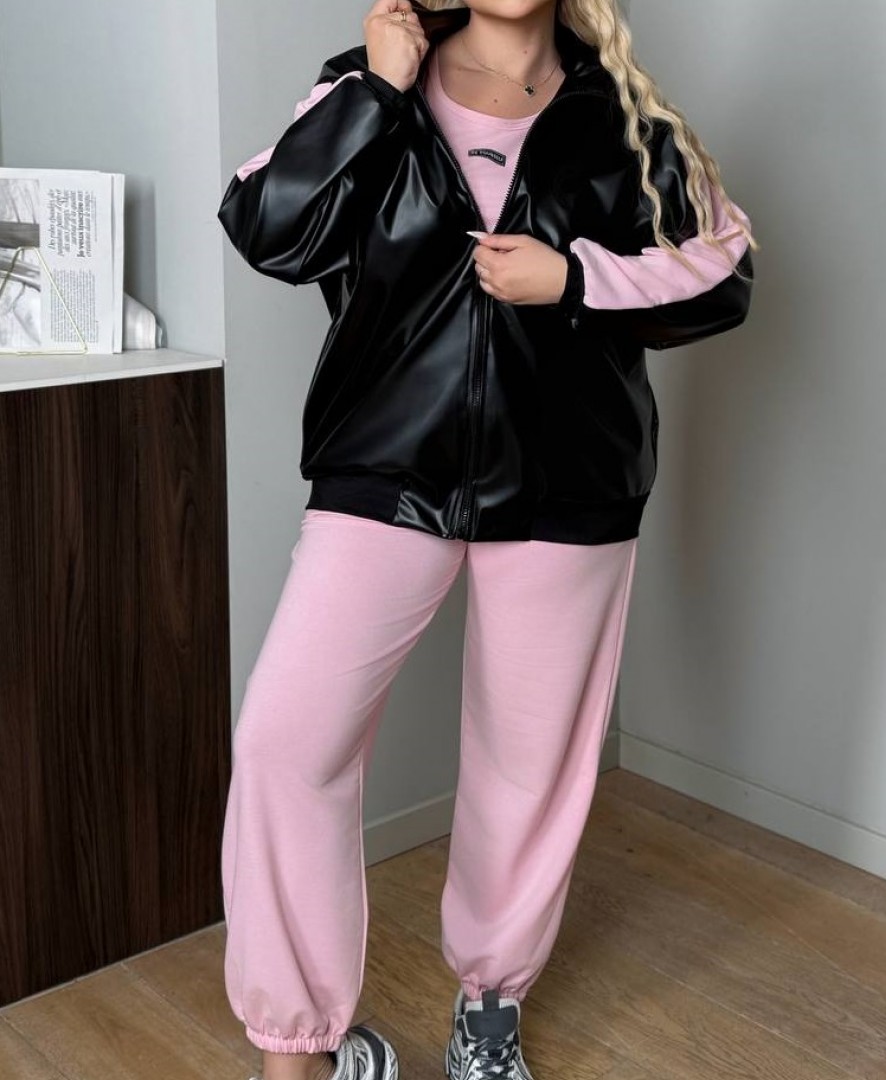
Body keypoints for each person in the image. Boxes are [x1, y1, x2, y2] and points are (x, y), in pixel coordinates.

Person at [217, 2, 757, 1080]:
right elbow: (266, 226)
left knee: (527, 769)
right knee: (286, 742)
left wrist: (577, 280)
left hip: (570, 484)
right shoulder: (371, 81)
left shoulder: (622, 116)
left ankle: (489, 1005)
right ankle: (296, 1046)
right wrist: (376, 94)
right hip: (386, 468)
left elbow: (725, 270)